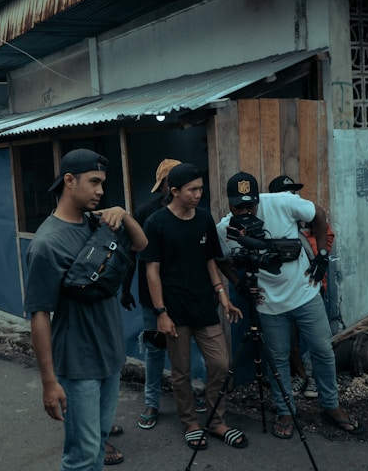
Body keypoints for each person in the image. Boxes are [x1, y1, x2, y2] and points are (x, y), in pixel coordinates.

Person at [216, 171, 364, 440]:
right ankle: (285, 411)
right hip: (269, 305)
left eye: (251, 204)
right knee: (279, 359)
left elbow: (318, 214)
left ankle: (331, 405)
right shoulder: (225, 228)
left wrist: (321, 255)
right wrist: (238, 283)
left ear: (258, 198)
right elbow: (219, 258)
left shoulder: (280, 202)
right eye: (239, 206)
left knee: (323, 351)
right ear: (229, 204)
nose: (246, 210)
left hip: (306, 294)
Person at [25, 148, 148, 471]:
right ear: (69, 180)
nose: (100, 191)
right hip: (78, 365)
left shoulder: (98, 224)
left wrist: (123, 214)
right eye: (94, 182)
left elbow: (140, 244)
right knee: (81, 455)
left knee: (100, 442)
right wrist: (49, 382)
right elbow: (39, 315)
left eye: (102, 183)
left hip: (110, 356)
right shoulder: (46, 244)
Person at [140, 163, 247, 451]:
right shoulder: (157, 223)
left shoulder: (203, 219)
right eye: (193, 189)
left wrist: (222, 294)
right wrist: (160, 313)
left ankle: (215, 420)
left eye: (201, 188)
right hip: (174, 310)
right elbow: (152, 271)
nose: (199, 194)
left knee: (221, 364)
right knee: (181, 371)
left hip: (204, 304)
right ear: (174, 191)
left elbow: (210, 259)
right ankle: (190, 422)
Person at [119, 158, 181, 430]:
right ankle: (152, 401)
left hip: (182, 294)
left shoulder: (192, 212)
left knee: (183, 348)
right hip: (150, 296)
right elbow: (131, 255)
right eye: (170, 181)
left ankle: (187, 398)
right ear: (165, 185)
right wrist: (125, 288)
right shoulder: (145, 213)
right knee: (155, 350)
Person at [268, 175, 336, 400]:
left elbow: (327, 233)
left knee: (319, 343)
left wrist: (321, 257)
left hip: (314, 290)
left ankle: (317, 380)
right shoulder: (277, 226)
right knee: (291, 341)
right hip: (285, 296)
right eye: (288, 193)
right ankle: (301, 375)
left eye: (295, 193)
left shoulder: (309, 220)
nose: (294, 197)